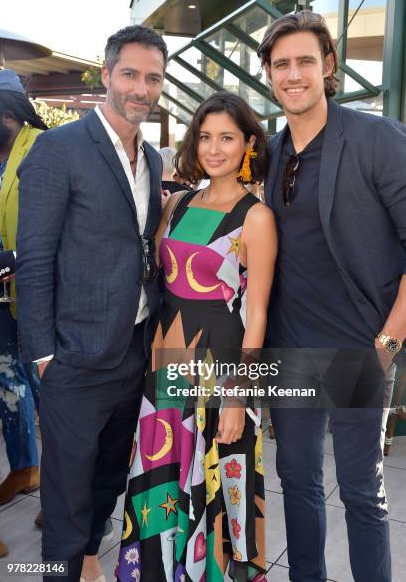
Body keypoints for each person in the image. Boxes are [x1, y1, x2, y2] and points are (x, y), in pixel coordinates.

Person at [257, 10, 406, 582]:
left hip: (359, 349)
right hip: (290, 352)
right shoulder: (271, 154)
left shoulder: (375, 138)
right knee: (297, 483)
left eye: (304, 62)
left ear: (329, 68)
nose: (292, 75)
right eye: (281, 65)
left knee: (363, 494)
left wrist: (387, 343)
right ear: (269, 75)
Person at [16, 25, 167, 582]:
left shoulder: (151, 159)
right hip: (74, 361)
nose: (140, 88)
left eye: (153, 78)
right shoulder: (59, 152)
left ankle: (84, 561)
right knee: (66, 495)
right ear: (106, 76)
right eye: (129, 74)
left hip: (132, 350)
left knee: (108, 479)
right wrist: (44, 357)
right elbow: (34, 262)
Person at [116, 91, 277, 581]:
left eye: (227, 137)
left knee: (218, 491)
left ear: (248, 142)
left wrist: (238, 395)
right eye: (205, 137)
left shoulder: (257, 217)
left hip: (221, 368)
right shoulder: (178, 203)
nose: (214, 148)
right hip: (164, 365)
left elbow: (259, 311)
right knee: (162, 481)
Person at [0, 69, 43, 507]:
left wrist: (15, 260)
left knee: (49, 391)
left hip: (38, 298)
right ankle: (24, 468)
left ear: (8, 113)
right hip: (2, 303)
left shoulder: (40, 151)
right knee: (9, 386)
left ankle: (68, 498)